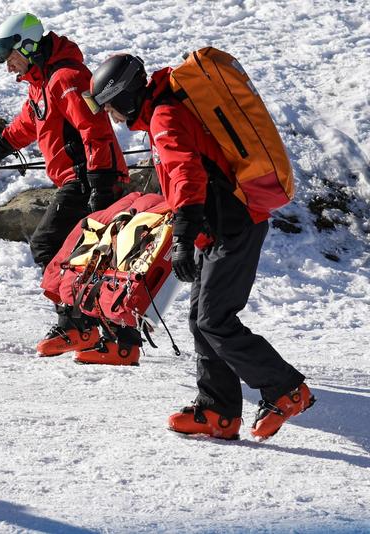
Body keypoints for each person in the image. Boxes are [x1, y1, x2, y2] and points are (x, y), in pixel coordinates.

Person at [84, 54, 314, 440]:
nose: (113, 118)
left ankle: (286, 389)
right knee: (201, 320)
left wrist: (184, 238)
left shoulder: (163, 117)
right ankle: (218, 412)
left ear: (125, 97)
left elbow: (188, 176)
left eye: (110, 108)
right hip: (217, 228)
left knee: (215, 320)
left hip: (233, 226)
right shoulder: (162, 113)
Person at [0, 12, 129, 357]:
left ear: (28, 47)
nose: (9, 68)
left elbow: (95, 130)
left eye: (11, 58)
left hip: (90, 178)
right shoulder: (42, 84)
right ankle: (117, 340)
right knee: (91, 256)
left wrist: (100, 184)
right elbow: (26, 125)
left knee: (48, 245)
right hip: (81, 178)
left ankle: (77, 326)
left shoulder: (67, 78)